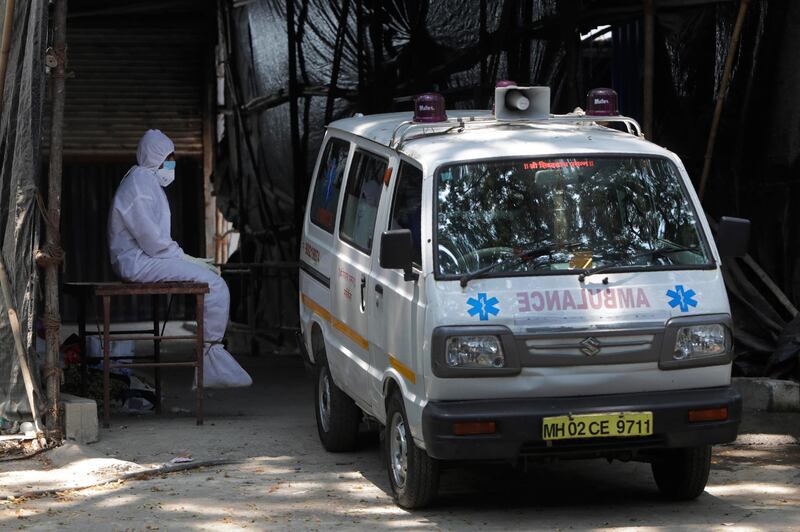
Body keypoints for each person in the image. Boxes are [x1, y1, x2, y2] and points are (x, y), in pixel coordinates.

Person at [108, 129, 251, 388]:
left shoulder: (145, 181)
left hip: (143, 259)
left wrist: (182, 258)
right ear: (156, 157)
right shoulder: (140, 184)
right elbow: (152, 240)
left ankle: (210, 358)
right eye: (169, 159)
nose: (172, 164)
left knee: (212, 280)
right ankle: (210, 358)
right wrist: (182, 257)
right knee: (215, 285)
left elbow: (154, 241)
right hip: (139, 262)